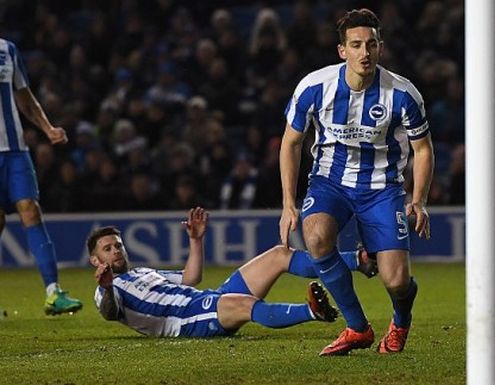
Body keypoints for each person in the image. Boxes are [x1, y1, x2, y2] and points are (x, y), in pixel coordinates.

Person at [279, 8, 434, 356]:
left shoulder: (403, 94)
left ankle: (400, 320)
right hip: (329, 182)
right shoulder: (315, 87)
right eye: (356, 45)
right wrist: (289, 202)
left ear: (381, 47)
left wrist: (418, 199)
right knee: (315, 236)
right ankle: (357, 328)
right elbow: (291, 142)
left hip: (382, 187)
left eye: (371, 44)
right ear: (342, 51)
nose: (364, 52)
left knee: (396, 280)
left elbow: (423, 150)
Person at [87, 207, 378, 337]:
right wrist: (109, 286)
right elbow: (111, 313)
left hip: (206, 299)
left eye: (118, 246)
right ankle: (313, 312)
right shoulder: (106, 291)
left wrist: (196, 240)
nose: (115, 251)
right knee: (245, 305)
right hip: (187, 321)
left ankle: (359, 260)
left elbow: (190, 279)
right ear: (95, 259)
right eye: (107, 249)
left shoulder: (145, 273)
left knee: (278, 254)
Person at [0, 38, 82, 315]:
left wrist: (47, 128)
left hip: (15, 150)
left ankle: (53, 292)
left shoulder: (7, 49)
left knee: (31, 211)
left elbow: (23, 95)